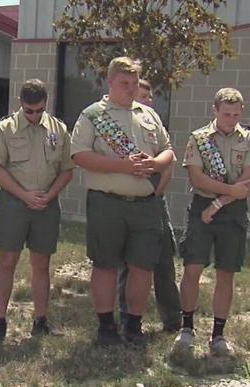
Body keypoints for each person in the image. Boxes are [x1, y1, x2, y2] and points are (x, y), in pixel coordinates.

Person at [70, 57, 175, 347]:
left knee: (143, 266)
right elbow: (79, 155)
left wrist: (154, 163)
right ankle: (106, 326)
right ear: (111, 82)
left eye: (134, 83)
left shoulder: (149, 115)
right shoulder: (93, 115)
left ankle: (133, 324)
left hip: (145, 204)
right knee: (105, 265)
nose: (130, 89)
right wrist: (122, 166)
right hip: (108, 202)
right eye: (124, 83)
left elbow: (168, 151)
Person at [170, 88, 250, 358]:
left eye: (236, 114)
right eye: (226, 114)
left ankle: (218, 334)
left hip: (232, 211)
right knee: (192, 267)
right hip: (201, 207)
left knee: (226, 272)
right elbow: (197, 179)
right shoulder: (199, 139)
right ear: (215, 111)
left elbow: (248, 180)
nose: (230, 119)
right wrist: (223, 194)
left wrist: (219, 203)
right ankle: (186, 328)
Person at [0, 79, 74, 342]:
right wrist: (24, 195)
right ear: (21, 104)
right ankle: (0, 320)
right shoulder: (5, 129)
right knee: (7, 262)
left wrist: (49, 195)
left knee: (41, 264)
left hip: (46, 203)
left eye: (39, 110)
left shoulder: (58, 129)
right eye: (29, 111)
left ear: (46, 104)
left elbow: (67, 169)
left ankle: (40, 319)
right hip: (14, 202)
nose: (34, 116)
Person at [117, 78, 181, 333]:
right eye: (144, 96)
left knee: (164, 261)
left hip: (154, 203)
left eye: (150, 96)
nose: (149, 101)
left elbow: (168, 161)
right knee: (130, 264)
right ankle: (127, 317)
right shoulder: (123, 128)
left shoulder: (153, 125)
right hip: (129, 204)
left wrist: (156, 192)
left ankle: (172, 318)